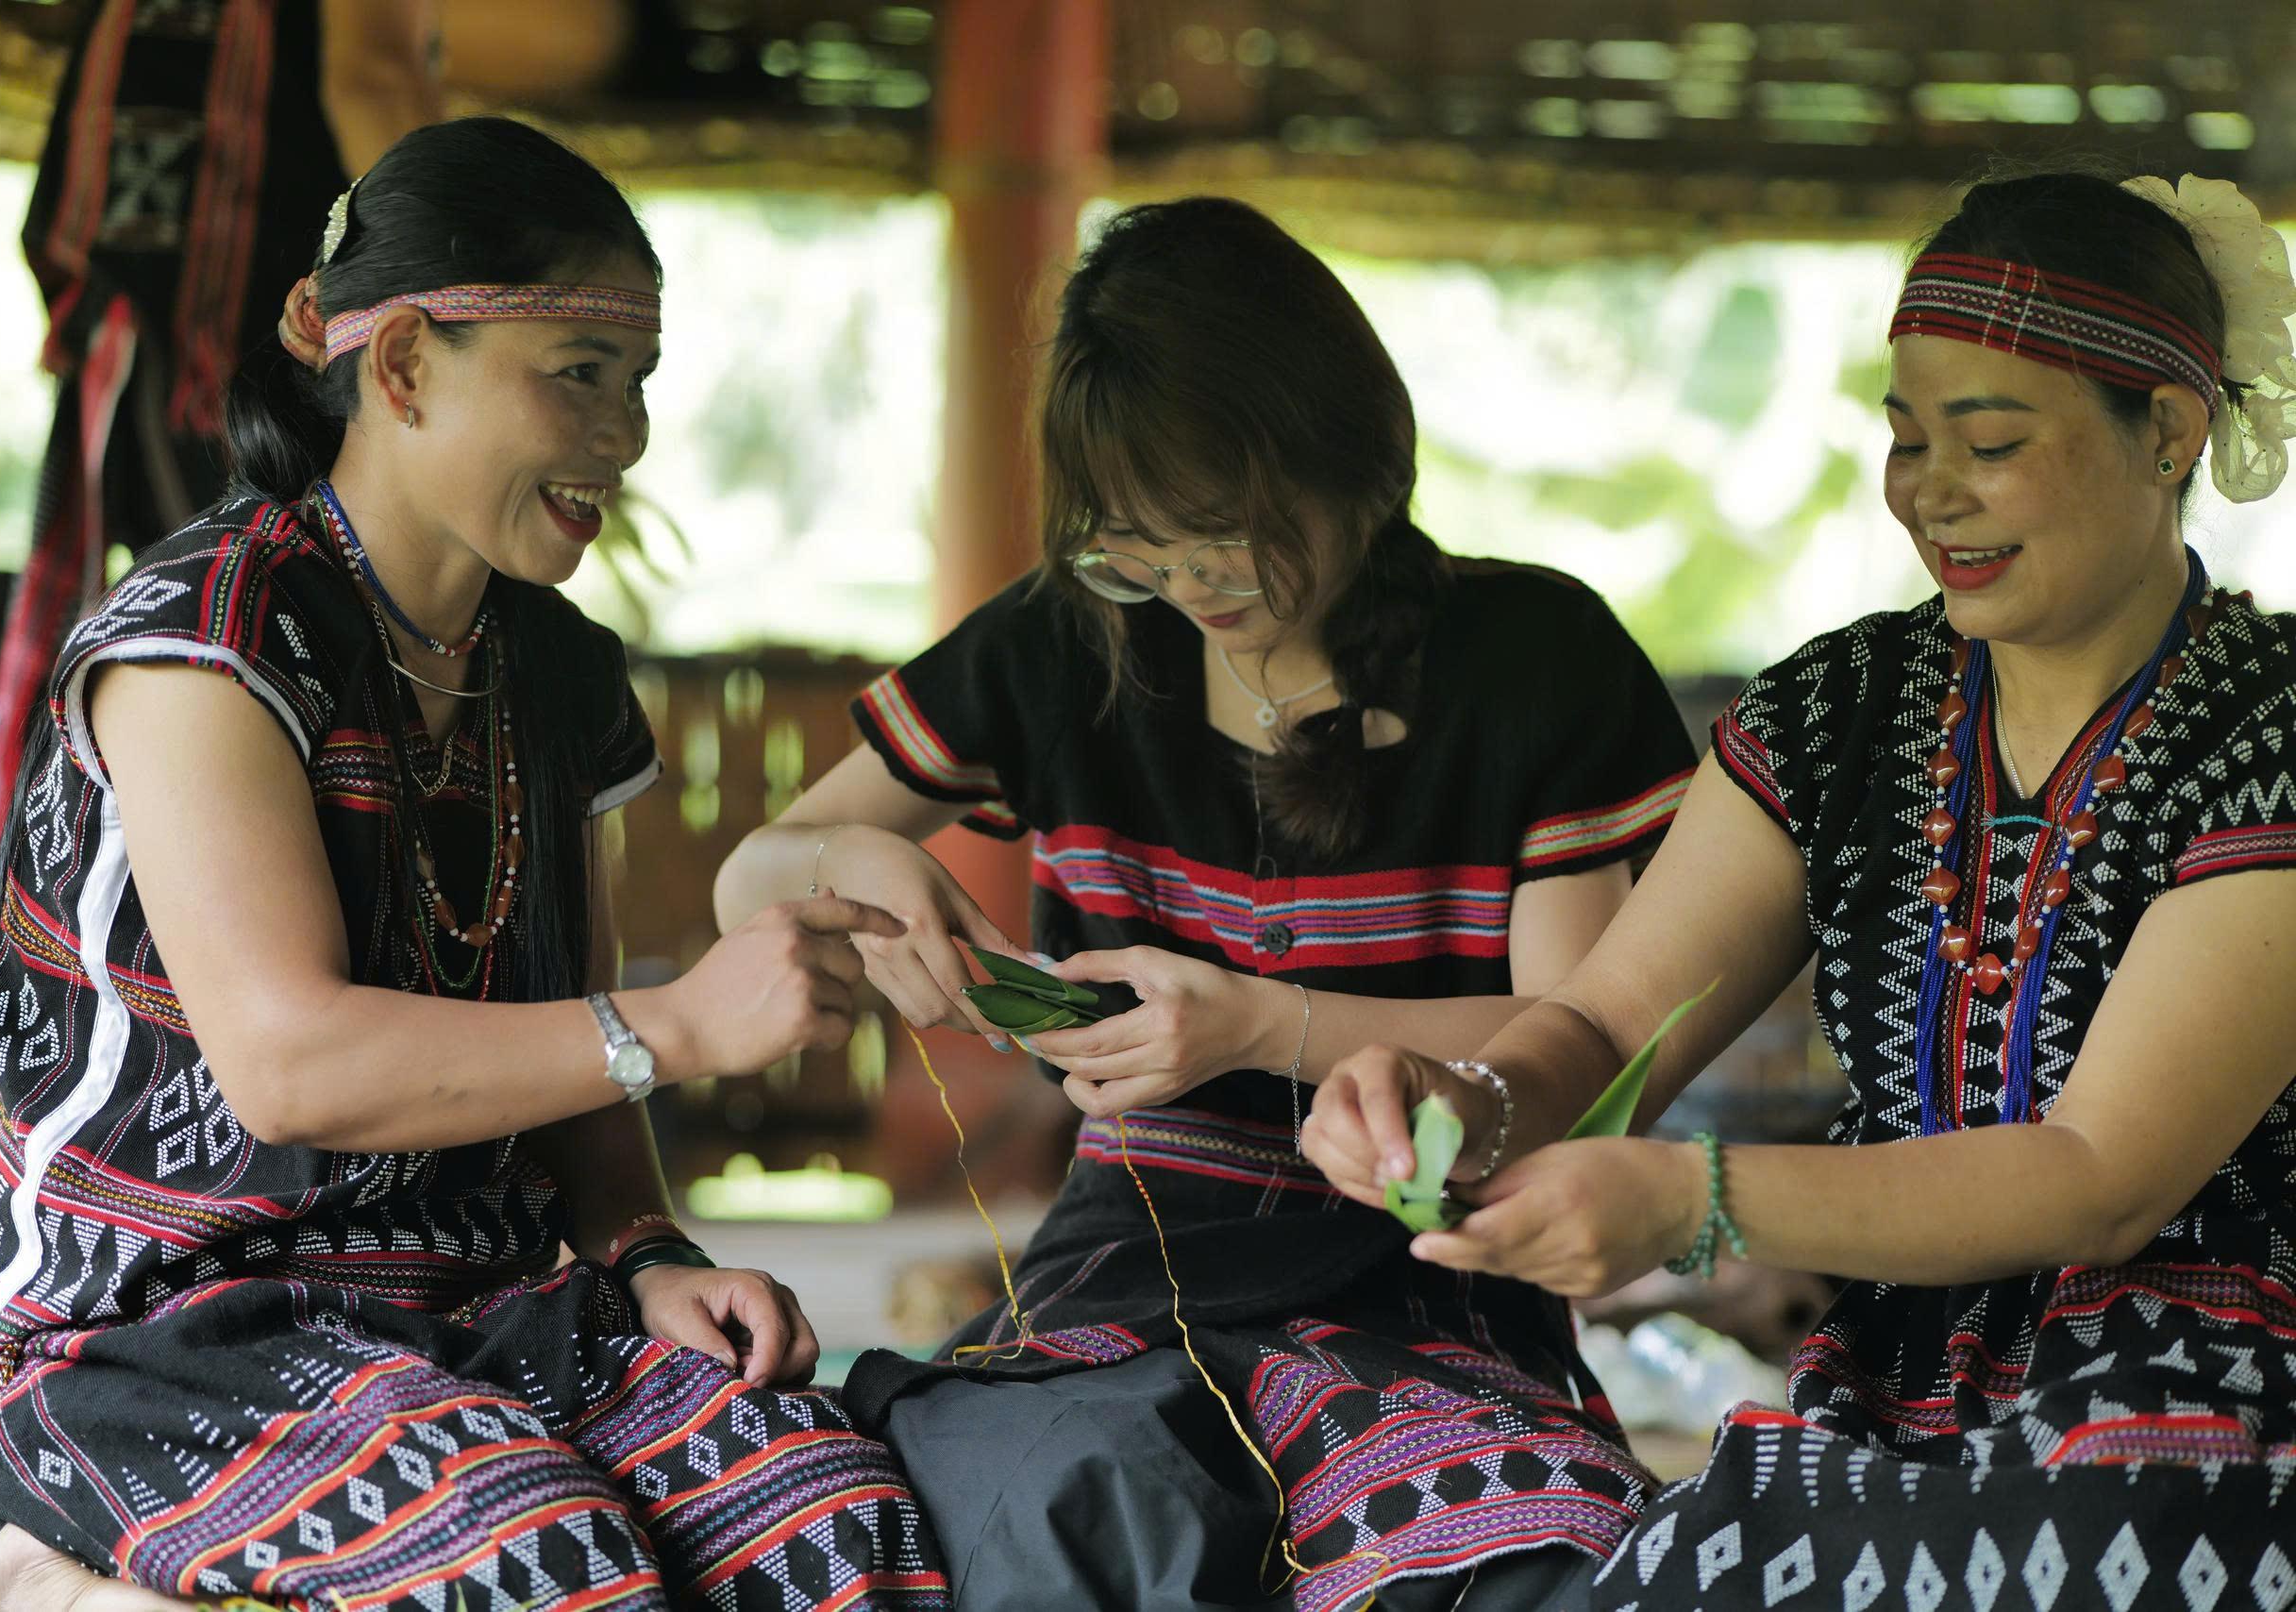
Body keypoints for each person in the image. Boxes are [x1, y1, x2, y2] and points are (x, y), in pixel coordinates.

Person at [0, 117, 948, 1612]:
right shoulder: (206, 638)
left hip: (476, 1299)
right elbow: (291, 1067)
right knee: (541, 1560)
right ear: (402, 367)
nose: (627, 437)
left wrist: (652, 1250)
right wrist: (686, 1023)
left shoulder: (553, 670)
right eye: (580, 376)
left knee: (835, 1524)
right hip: (157, 1322)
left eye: (639, 384)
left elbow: (582, 1070)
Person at [1304, 167, 2296, 1607]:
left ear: (2170, 433)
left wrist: (1689, 1201)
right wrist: (1461, 1103)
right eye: (1905, 440)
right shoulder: (1841, 710)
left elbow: (2097, 1183)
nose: (1931, 493)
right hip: (1890, 1383)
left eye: (1991, 441)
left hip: (2213, 1383)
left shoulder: (2269, 732)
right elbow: (1602, 1029)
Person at [712, 196, 1694, 1609]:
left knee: (1513, 1549)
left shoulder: (1530, 659)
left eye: (1224, 541)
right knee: (1051, 1501)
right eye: (1141, 550)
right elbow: (762, 867)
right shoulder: (1077, 641)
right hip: (1134, 1256)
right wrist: (848, 869)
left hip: (1422, 1261)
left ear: (1346, 453)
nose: (1188, 590)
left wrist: (1259, 1026)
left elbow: (1591, 1042)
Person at [0, 0, 445, 892]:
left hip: (169, 324)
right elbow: (370, 75)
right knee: (239, 636)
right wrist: (487, 299)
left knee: (212, 630)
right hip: (214, 340)